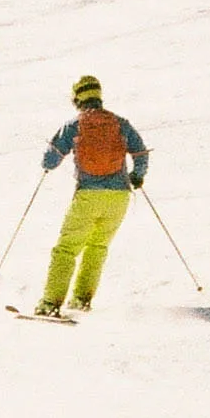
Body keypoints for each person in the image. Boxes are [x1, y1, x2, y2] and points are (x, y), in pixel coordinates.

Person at [36, 74, 149, 315]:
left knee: (66, 249)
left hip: (88, 195)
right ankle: (81, 299)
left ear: (78, 97)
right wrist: (137, 176)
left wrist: (47, 165)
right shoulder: (121, 123)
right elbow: (140, 152)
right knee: (97, 246)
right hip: (119, 197)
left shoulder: (74, 125)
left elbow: (51, 159)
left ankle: (49, 303)